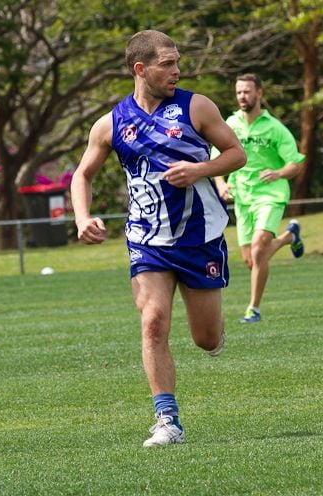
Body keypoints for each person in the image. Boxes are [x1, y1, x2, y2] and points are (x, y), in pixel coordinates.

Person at [70, 30, 246, 448]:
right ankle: (167, 421)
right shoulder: (111, 123)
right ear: (140, 69)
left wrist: (199, 170)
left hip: (199, 238)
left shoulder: (196, 107)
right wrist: (82, 218)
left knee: (205, 339)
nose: (176, 70)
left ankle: (216, 334)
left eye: (177, 61)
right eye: (167, 63)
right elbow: (82, 175)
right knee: (153, 323)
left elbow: (236, 154)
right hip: (146, 240)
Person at [211, 74, 306, 325]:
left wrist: (278, 173)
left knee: (259, 247)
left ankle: (253, 309)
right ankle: (288, 237)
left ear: (259, 94)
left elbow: (295, 163)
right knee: (251, 259)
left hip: (270, 195)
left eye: (247, 91)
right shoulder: (229, 124)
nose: (242, 96)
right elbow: (215, 159)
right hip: (242, 196)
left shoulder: (275, 128)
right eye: (239, 92)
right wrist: (221, 183)